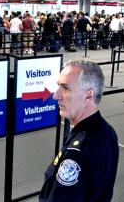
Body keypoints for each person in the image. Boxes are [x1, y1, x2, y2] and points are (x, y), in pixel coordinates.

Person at [39, 60, 119, 202]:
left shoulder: (77, 151)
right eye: (58, 86)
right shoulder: (107, 131)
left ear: (89, 95)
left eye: (65, 88)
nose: (56, 95)